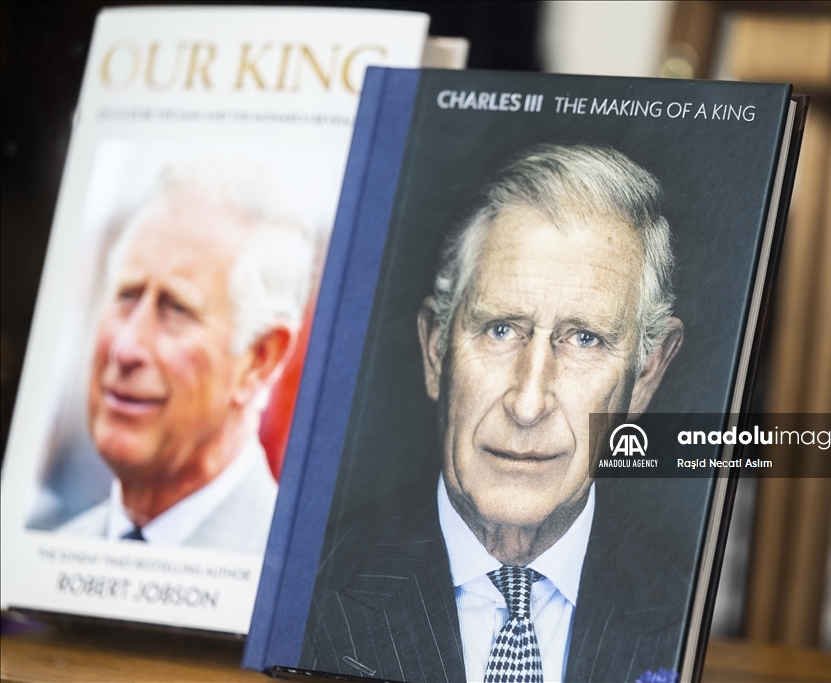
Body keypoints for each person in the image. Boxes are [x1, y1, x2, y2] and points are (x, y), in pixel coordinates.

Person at [301, 144, 686, 682]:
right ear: (437, 349)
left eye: (584, 339)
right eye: (501, 329)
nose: (528, 404)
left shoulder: (685, 612)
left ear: (645, 375)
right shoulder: (305, 591)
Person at [58, 158, 313, 554]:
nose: (126, 349)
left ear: (259, 359)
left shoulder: (288, 582)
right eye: (126, 294)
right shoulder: (50, 559)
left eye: (177, 308)